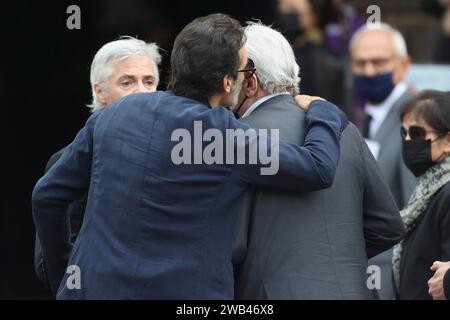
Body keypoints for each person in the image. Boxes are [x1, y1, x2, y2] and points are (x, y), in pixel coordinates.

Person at [32, 13, 348, 299]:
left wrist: (67, 276)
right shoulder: (226, 139)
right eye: (242, 69)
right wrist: (324, 110)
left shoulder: (114, 115)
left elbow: (47, 195)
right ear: (227, 82)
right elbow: (318, 168)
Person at [232, 22, 404, 300]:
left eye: (232, 75)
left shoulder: (238, 138)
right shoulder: (344, 129)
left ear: (249, 81)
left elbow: (233, 245)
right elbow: (388, 225)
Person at [33, 36, 162, 288]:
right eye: (127, 82)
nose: (141, 92)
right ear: (99, 91)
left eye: (149, 82)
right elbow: (46, 262)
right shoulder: (69, 160)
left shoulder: (171, 152)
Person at [350, 22, 418, 299]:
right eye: (360, 63)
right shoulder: (364, 119)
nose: (368, 71)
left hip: (393, 274)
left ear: (403, 65)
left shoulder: (415, 121)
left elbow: (417, 205)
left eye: (378, 62)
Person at [391, 90, 450, 300]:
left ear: (448, 140)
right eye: (403, 133)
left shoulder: (447, 193)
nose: (407, 141)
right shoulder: (428, 190)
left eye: (416, 134)